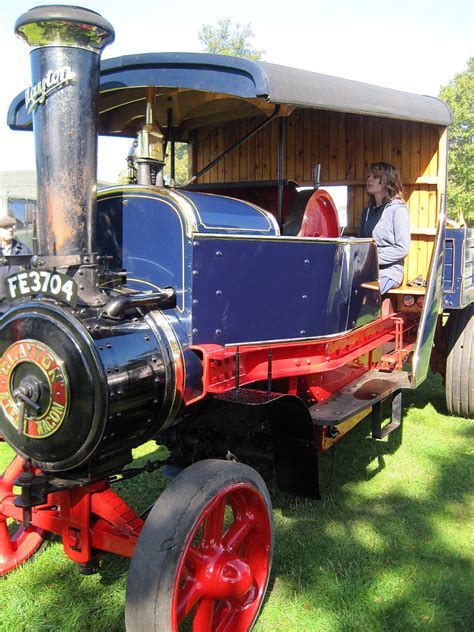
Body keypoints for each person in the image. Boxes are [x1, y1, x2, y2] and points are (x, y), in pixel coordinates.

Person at [359, 162, 410, 295]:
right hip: (366, 270)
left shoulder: (398, 209)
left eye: (375, 177)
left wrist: (373, 258)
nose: (369, 179)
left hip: (389, 272)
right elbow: (360, 243)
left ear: (387, 181)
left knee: (363, 292)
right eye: (369, 176)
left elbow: (402, 248)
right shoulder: (367, 212)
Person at [0, 215, 32, 300]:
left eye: (11, 226)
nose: (10, 229)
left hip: (18, 307)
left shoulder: (24, 251)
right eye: (5, 227)